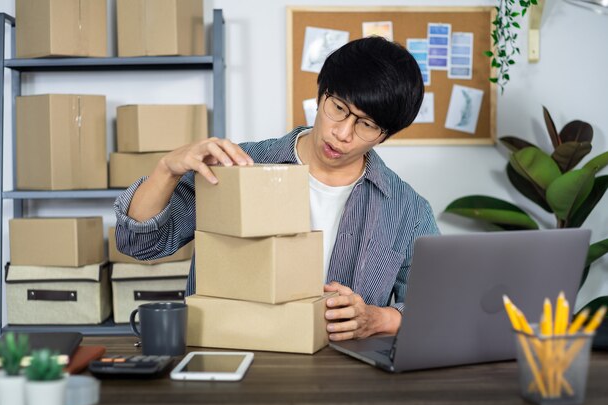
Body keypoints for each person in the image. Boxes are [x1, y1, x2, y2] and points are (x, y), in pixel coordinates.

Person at [114, 36, 440, 342]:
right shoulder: (237, 165)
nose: (343, 133)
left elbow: (437, 309)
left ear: (385, 135)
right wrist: (167, 170)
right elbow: (142, 244)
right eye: (338, 108)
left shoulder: (408, 210)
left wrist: (377, 319)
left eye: (366, 125)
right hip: (232, 354)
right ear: (320, 93)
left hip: (343, 374)